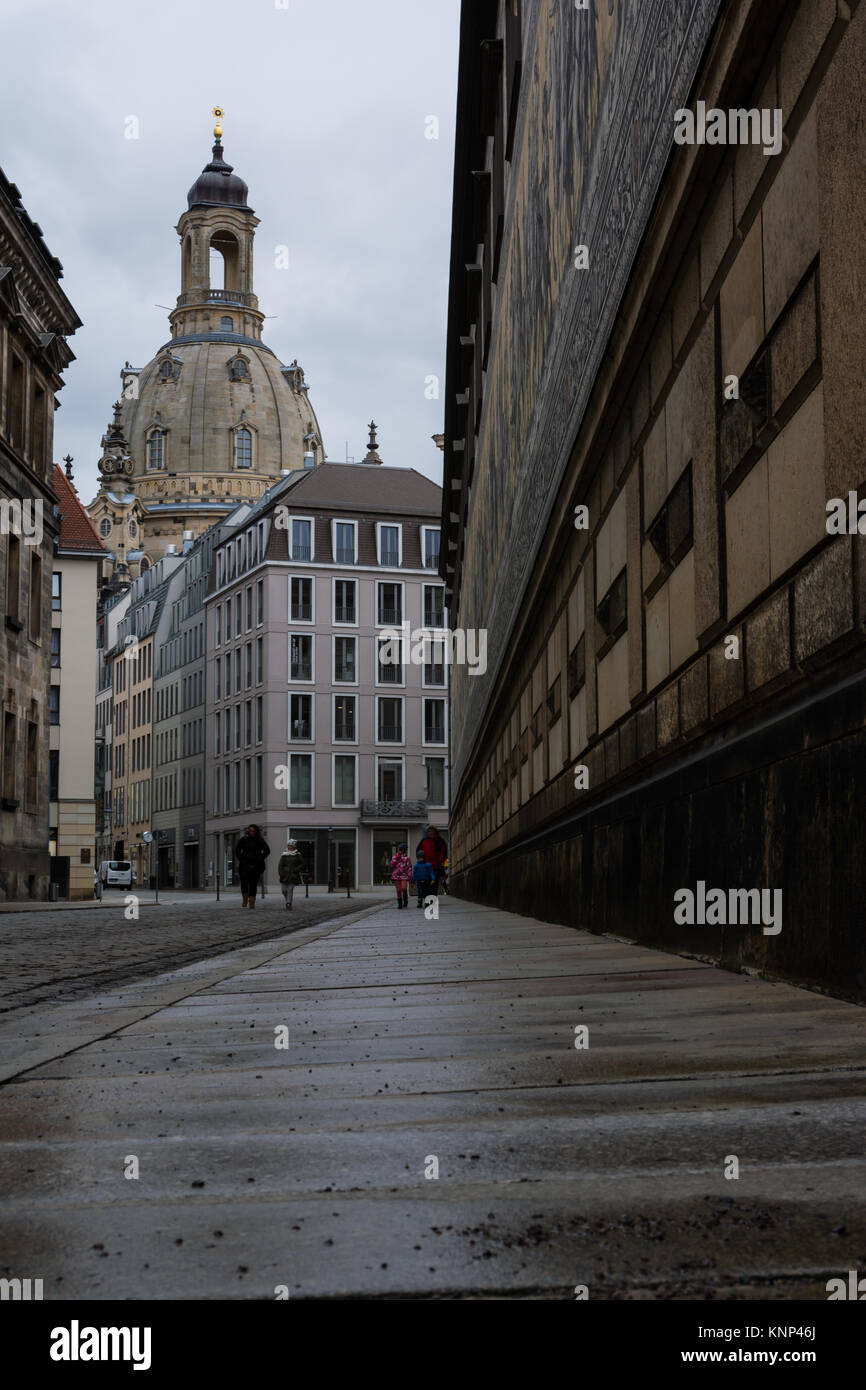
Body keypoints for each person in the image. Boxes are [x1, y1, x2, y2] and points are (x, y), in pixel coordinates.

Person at [235, 824, 271, 909]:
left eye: (253, 831)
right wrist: (241, 858)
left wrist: (260, 858)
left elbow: (267, 850)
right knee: (243, 882)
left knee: (253, 884)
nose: (251, 832)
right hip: (244, 864)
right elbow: (237, 850)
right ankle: (244, 899)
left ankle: (251, 902)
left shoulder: (259, 840)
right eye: (250, 830)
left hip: (255, 865)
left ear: (256, 831)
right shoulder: (244, 839)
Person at [416, 825, 447, 895]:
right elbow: (418, 852)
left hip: (436, 867)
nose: (431, 833)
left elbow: (443, 853)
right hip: (425, 867)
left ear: (435, 832)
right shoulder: (423, 841)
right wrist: (420, 860)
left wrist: (440, 861)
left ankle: (433, 901)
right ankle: (427, 901)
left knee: (434, 885)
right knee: (426, 885)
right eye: (429, 831)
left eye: (432, 831)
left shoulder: (440, 841)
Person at [277, 838, 305, 910]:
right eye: (288, 845)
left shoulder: (297, 854)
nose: (289, 846)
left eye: (290, 845)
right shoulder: (284, 855)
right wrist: (281, 873)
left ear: (294, 846)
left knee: (290, 889)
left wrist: (296, 869)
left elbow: (302, 864)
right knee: (283, 890)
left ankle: (288, 903)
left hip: (293, 875)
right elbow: (280, 865)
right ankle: (288, 900)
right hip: (284, 875)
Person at [389, 842, 412, 909]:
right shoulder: (395, 857)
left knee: (404, 888)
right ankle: (400, 903)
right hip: (396, 876)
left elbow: (409, 867)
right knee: (398, 890)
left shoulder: (407, 858)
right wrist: (396, 857)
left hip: (404, 876)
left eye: (400, 850)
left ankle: (405, 899)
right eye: (398, 850)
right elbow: (391, 864)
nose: (399, 851)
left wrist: (410, 876)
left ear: (404, 850)